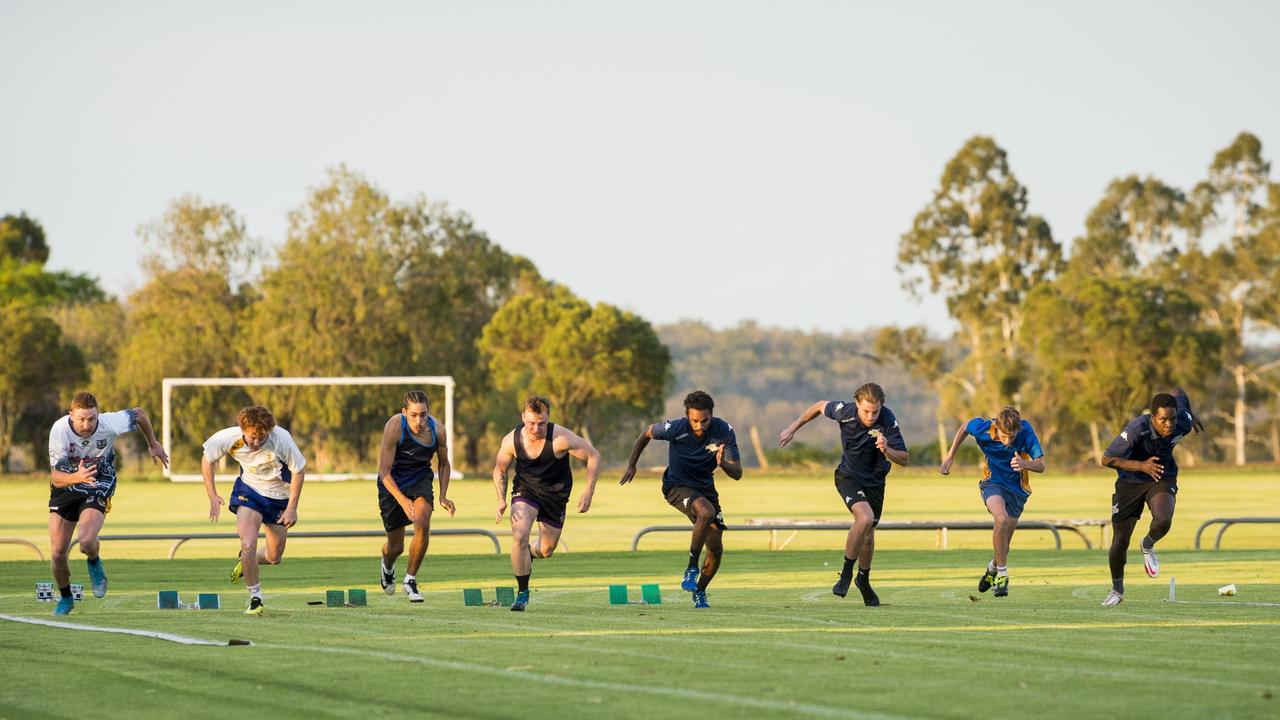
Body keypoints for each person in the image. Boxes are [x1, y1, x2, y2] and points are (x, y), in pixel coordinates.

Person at [778, 382, 908, 606]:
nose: (870, 416)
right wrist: (792, 428)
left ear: (882, 406)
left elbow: (904, 458)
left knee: (868, 534)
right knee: (864, 518)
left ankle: (863, 580)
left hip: (876, 482)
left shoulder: (887, 420)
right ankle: (847, 573)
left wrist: (887, 450)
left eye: (875, 411)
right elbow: (819, 406)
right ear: (857, 404)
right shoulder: (844, 411)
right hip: (848, 476)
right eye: (866, 410)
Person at [46, 392, 169, 616]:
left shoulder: (109, 423)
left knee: (86, 540)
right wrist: (77, 477)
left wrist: (152, 442)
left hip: (98, 482)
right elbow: (56, 477)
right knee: (56, 554)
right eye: (81, 419)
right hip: (67, 485)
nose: (87, 424)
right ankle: (65, 598)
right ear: (71, 415)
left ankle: (94, 561)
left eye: (92, 418)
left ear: (98, 415)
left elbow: (139, 414)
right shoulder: (60, 430)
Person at [620, 390, 743, 609]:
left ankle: (700, 591)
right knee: (705, 512)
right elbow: (647, 432)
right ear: (687, 416)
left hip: (706, 489)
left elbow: (737, 473)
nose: (699, 425)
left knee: (715, 549)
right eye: (695, 420)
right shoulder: (676, 428)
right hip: (676, 486)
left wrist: (722, 463)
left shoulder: (723, 431)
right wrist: (632, 463)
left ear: (711, 415)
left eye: (705, 420)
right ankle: (691, 568)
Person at [492, 396, 600, 612]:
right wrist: (501, 499)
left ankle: (527, 554)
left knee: (547, 549)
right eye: (531, 423)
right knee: (519, 535)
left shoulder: (560, 438)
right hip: (526, 491)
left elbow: (593, 456)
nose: (536, 428)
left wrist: (588, 491)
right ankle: (522, 593)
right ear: (523, 417)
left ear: (548, 419)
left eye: (541, 423)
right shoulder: (511, 440)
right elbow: (500, 469)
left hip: (555, 496)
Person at [1099, 388, 1201, 607]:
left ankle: (1147, 544)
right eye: (1163, 420)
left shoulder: (1181, 420)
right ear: (1153, 417)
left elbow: (1179, 392)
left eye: (1172, 419)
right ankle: (1117, 590)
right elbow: (1106, 459)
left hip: (1160, 475)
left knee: (1164, 520)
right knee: (1120, 541)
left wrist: (1191, 415)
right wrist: (1140, 466)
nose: (1169, 425)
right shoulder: (1136, 429)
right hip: (1129, 481)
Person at [202, 405, 306, 616]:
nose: (256, 443)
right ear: (242, 429)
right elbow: (207, 459)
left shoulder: (281, 439)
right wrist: (212, 494)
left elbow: (299, 471)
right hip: (249, 491)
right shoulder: (229, 438)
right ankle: (255, 598)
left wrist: (292, 508)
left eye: (262, 438)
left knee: (274, 557)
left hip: (278, 498)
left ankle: (246, 561)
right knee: (248, 543)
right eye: (252, 438)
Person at [940, 407, 1046, 597]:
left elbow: (1041, 464)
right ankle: (1002, 578)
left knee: (1004, 544)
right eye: (1004, 436)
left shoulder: (1025, 430)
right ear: (996, 426)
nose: (1008, 441)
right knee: (1001, 518)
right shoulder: (983, 428)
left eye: (1012, 437)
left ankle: (992, 569)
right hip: (993, 483)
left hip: (1017, 490)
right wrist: (950, 456)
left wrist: (1025, 464)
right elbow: (965, 426)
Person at [376, 390, 455, 602]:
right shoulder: (394, 426)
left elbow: (445, 463)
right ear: (404, 412)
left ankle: (410, 580)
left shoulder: (438, 430)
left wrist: (443, 495)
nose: (418, 420)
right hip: (392, 484)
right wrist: (402, 501)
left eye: (423, 414)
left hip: (420, 478)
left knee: (422, 521)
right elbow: (384, 471)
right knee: (396, 547)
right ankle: (387, 563)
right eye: (413, 415)